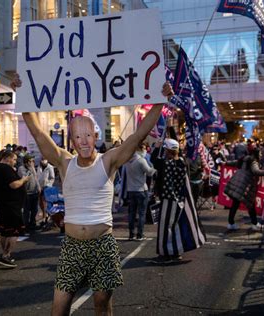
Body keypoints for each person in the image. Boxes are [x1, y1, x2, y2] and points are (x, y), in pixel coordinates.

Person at [13, 74, 174, 315]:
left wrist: (161, 102)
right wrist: (23, 96)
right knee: (58, 310)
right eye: (77, 136)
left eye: (88, 135)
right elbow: (38, 133)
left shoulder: (108, 161)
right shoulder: (64, 162)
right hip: (72, 246)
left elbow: (138, 135)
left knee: (102, 306)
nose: (83, 141)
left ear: (95, 136)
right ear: (72, 141)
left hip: (103, 245)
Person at [150, 138, 206, 263]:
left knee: (165, 228)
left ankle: (165, 255)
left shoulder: (166, 164)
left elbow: (153, 160)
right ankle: (175, 252)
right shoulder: (182, 162)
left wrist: (157, 147)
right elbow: (176, 154)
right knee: (175, 227)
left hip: (168, 199)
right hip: (179, 199)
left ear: (167, 151)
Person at [0, 150, 30, 268]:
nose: (15, 162)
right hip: (11, 206)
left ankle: (4, 254)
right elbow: (14, 185)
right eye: (14, 159)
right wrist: (23, 180)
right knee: (14, 231)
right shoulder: (5, 169)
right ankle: (6, 256)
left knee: (5, 231)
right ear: (7, 158)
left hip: (2, 204)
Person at [224, 149, 264, 230]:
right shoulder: (253, 161)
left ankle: (231, 223)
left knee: (235, 204)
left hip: (237, 182)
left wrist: (225, 162)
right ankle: (255, 224)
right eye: (260, 153)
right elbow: (256, 171)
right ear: (256, 154)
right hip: (245, 185)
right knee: (250, 205)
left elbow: (234, 163)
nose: (261, 155)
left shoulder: (244, 159)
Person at [125, 142, 156, 241]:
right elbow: (150, 172)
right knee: (142, 213)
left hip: (130, 189)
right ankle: (140, 234)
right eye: (143, 148)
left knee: (132, 213)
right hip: (141, 189)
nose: (145, 150)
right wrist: (154, 167)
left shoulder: (128, 161)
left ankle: (131, 234)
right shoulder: (141, 160)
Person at [18, 154, 40, 232]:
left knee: (35, 210)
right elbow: (25, 178)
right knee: (26, 210)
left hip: (34, 192)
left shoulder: (33, 168)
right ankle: (25, 225)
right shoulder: (21, 168)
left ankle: (32, 223)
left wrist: (38, 187)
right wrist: (31, 169)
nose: (32, 163)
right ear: (26, 162)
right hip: (26, 193)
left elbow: (36, 178)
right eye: (31, 161)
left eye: (33, 161)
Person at [37, 158, 55, 225]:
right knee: (40, 203)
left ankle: (45, 217)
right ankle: (45, 216)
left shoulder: (50, 167)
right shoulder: (39, 167)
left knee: (45, 203)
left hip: (46, 187)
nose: (43, 161)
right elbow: (37, 176)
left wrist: (48, 185)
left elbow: (52, 178)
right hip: (39, 187)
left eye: (44, 159)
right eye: (42, 159)